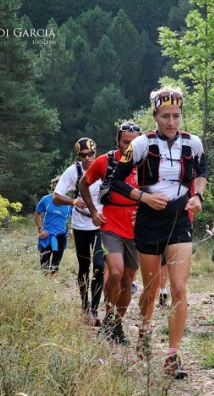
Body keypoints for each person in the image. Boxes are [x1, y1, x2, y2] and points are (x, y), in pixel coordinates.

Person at [110, 86, 208, 379]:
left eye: (176, 116)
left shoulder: (193, 144)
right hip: (149, 218)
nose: (171, 122)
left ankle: (173, 356)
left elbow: (202, 173)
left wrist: (198, 196)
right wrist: (143, 197)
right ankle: (145, 328)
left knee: (178, 286)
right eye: (165, 116)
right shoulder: (141, 144)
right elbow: (115, 181)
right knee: (151, 289)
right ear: (155, 116)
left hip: (179, 217)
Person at [79, 122, 142, 344]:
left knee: (128, 279)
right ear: (117, 141)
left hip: (136, 227)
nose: (130, 147)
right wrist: (94, 210)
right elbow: (83, 184)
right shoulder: (105, 161)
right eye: (126, 142)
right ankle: (109, 316)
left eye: (134, 142)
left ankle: (115, 324)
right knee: (115, 272)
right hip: (110, 224)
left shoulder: (146, 162)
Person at [53, 137, 105, 325]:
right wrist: (73, 201)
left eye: (90, 154)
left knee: (100, 265)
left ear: (95, 153)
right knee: (84, 266)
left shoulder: (104, 167)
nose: (87, 158)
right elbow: (56, 197)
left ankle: (94, 309)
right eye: (83, 155)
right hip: (81, 224)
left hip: (101, 223)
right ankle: (84, 305)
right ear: (79, 156)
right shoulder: (73, 172)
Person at [34, 177, 72, 276]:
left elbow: (74, 216)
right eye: (58, 185)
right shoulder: (46, 199)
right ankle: (44, 286)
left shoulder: (69, 202)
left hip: (60, 236)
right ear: (54, 186)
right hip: (47, 236)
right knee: (44, 265)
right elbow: (37, 214)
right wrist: (40, 230)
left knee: (55, 265)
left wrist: (71, 229)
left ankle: (51, 285)